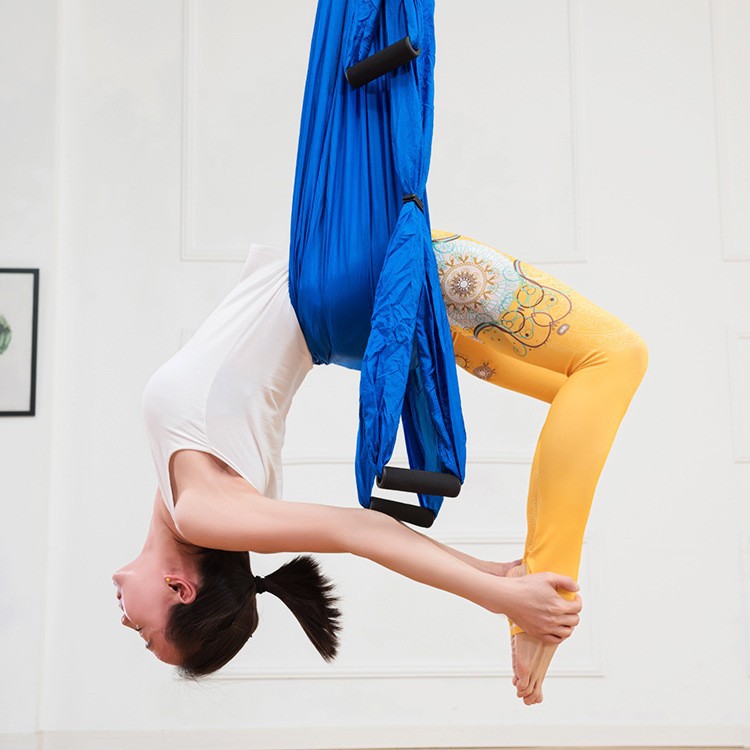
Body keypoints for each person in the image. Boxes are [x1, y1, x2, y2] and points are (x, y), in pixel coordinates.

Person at [113, 231, 647, 705]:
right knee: (614, 359)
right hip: (388, 284)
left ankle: (535, 591)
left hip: (377, 296)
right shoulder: (203, 512)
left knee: (588, 380)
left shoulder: (183, 496)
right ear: (180, 589)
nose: (124, 620)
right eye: (142, 632)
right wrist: (501, 593)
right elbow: (359, 530)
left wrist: (498, 580)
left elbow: (357, 531)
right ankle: (545, 596)